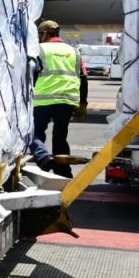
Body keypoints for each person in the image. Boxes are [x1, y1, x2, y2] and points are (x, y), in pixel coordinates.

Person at [33, 19, 88, 178]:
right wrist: (83, 103)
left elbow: (31, 74)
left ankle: (43, 159)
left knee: (34, 133)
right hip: (67, 101)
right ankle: (63, 171)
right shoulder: (74, 51)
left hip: (43, 99)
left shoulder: (39, 49)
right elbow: (83, 78)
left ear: (44, 34)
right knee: (60, 137)